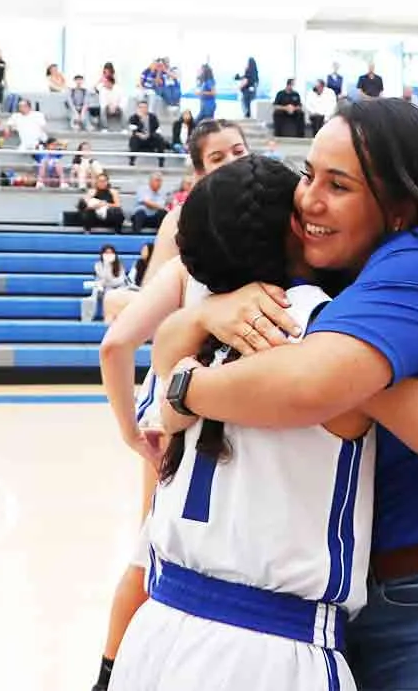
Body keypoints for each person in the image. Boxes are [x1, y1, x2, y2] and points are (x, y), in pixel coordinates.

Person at [145, 99, 418, 689]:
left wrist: (184, 384)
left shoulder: (414, 264)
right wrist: (204, 315)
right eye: (309, 175)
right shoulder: (299, 306)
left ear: (399, 207)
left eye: (338, 185)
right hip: (350, 614)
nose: (309, 199)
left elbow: (311, 385)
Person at [90, 119, 253, 691]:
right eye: (217, 157)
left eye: (239, 150)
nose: (231, 161)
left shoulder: (266, 212)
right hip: (179, 393)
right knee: (155, 537)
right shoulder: (184, 225)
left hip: (232, 393)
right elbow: (154, 315)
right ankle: (112, 671)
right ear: (198, 170)